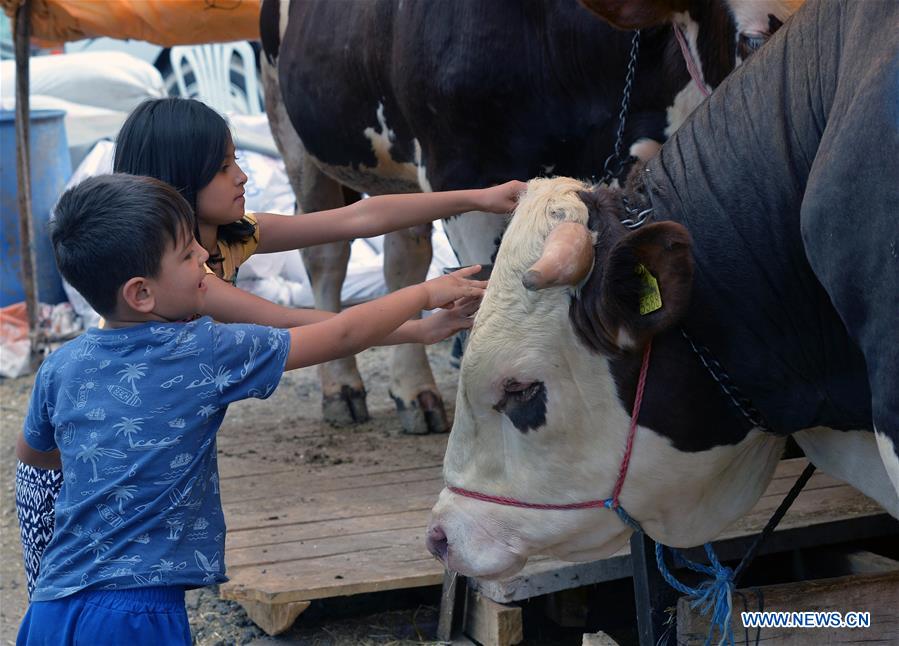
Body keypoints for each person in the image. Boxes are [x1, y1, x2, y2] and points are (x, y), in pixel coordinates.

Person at [14, 96, 525, 598]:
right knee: (102, 578)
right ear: (180, 179)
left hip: (83, 462)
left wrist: (478, 198)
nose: (241, 175)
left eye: (235, 160)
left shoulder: (224, 239)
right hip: (64, 484)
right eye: (223, 168)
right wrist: (416, 324)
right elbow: (306, 329)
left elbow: (357, 218)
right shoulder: (193, 281)